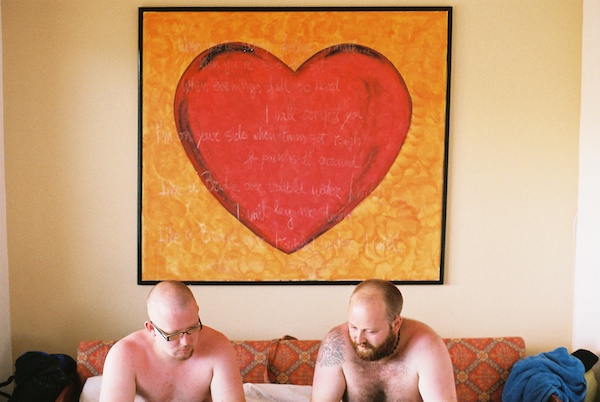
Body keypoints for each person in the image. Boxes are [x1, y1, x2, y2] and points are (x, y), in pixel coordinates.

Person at [311, 279, 457, 402]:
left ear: (396, 324)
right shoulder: (336, 343)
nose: (359, 339)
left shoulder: (427, 346)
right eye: (353, 327)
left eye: (371, 331)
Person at [100, 280, 245, 402]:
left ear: (197, 312)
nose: (186, 341)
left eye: (193, 328)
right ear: (151, 328)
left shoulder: (218, 346)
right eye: (174, 334)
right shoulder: (125, 354)